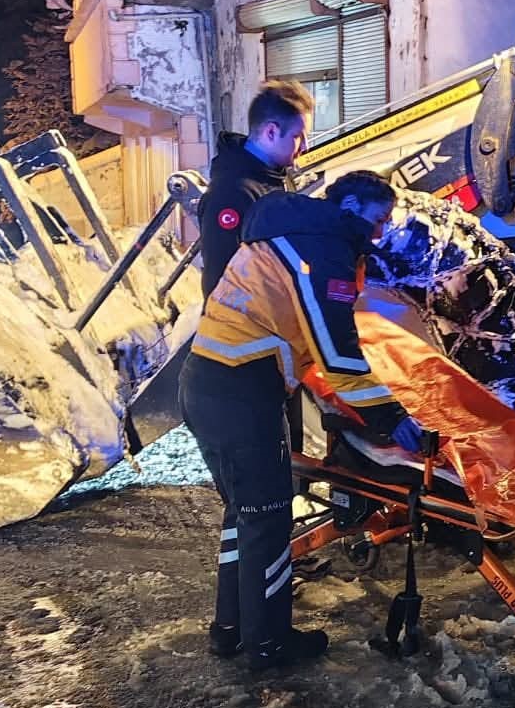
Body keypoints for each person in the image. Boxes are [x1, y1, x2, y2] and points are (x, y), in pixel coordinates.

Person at [180, 169, 429, 670]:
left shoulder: (291, 232)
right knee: (269, 520)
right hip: (242, 392)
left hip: (207, 380)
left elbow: (307, 334)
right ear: (352, 206)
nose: (379, 234)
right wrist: (389, 416)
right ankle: (269, 644)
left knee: (245, 515)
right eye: (377, 220)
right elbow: (335, 348)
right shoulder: (324, 247)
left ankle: (230, 629)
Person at [198, 79, 314, 298]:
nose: (306, 146)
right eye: (298, 136)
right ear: (271, 132)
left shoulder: (272, 179)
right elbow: (220, 281)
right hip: (246, 327)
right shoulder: (232, 193)